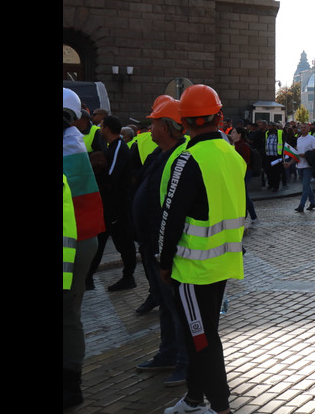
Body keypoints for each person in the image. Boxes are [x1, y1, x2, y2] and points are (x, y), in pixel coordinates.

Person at [159, 84, 245, 414]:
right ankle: (195, 399)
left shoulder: (187, 159)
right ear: (219, 117)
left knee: (202, 340)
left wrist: (163, 261)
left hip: (193, 268)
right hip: (222, 264)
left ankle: (221, 408)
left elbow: (170, 216)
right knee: (203, 336)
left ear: (184, 122)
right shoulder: (232, 156)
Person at [131, 95, 190, 387]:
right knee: (167, 307)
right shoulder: (159, 155)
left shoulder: (180, 158)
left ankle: (184, 363)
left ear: (167, 127)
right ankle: (167, 354)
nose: (149, 127)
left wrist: (161, 248)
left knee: (178, 308)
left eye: (154, 122)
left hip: (165, 247)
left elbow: (171, 208)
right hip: (151, 244)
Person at [63, 88, 106, 409]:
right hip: (83, 241)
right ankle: (72, 385)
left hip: (71, 242)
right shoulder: (75, 143)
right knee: (70, 315)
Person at [88, 115, 138, 292]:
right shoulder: (112, 147)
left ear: (107, 128)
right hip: (109, 205)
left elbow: (110, 174)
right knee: (101, 241)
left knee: (123, 241)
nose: (100, 129)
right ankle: (88, 279)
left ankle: (128, 277)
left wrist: (92, 174)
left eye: (101, 126)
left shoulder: (118, 147)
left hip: (118, 205)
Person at [229, 127, 258, 225]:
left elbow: (246, 161)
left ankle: (253, 217)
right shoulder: (232, 145)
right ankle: (244, 217)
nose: (231, 134)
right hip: (236, 173)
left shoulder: (243, 145)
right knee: (241, 195)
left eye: (233, 132)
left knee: (244, 195)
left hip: (246, 172)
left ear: (239, 134)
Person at [293, 123, 315, 213]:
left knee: (305, 187)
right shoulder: (299, 139)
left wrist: (306, 155)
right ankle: (313, 202)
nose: (303, 129)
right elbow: (296, 151)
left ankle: (301, 205)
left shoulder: (312, 139)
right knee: (307, 186)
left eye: (305, 127)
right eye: (302, 127)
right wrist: (289, 162)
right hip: (299, 165)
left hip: (308, 166)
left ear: (309, 129)